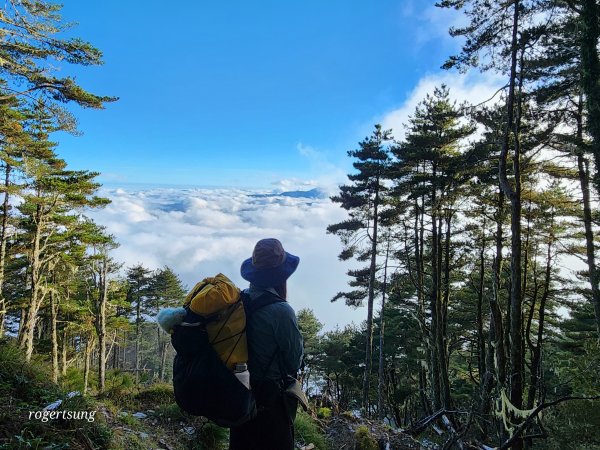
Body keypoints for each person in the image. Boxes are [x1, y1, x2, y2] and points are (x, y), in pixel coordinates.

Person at [229, 238, 304, 450]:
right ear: (281, 275)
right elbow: (293, 361)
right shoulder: (282, 311)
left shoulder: (238, 301)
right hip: (271, 402)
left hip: (240, 396)